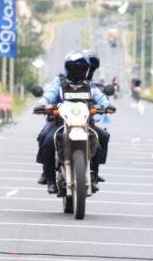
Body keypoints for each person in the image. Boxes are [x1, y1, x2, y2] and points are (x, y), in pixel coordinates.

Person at [36, 51, 114, 194]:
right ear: (67, 68)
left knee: (102, 137)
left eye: (81, 68)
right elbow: (48, 96)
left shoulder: (90, 85)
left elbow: (102, 98)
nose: (77, 71)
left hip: (84, 123)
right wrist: (42, 104)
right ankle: (50, 180)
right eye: (74, 68)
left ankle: (94, 174)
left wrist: (107, 105)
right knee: (46, 140)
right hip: (60, 122)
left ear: (86, 70)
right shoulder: (59, 83)